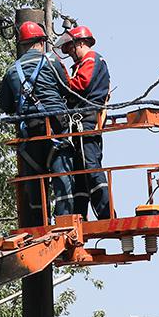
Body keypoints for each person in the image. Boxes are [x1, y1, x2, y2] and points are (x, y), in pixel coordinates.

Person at [0, 20, 75, 225]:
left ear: (22, 45)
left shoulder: (11, 70)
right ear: (41, 42)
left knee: (34, 181)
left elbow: (6, 105)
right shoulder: (52, 61)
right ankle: (65, 222)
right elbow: (67, 90)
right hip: (56, 128)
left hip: (30, 133)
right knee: (63, 176)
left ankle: (38, 224)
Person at [60, 25, 112, 221]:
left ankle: (106, 214)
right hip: (84, 120)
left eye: (71, 49)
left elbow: (81, 84)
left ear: (80, 43)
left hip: (86, 120)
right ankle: (79, 215)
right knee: (80, 170)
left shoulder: (90, 60)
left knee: (90, 166)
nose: (70, 54)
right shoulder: (88, 62)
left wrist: (62, 81)